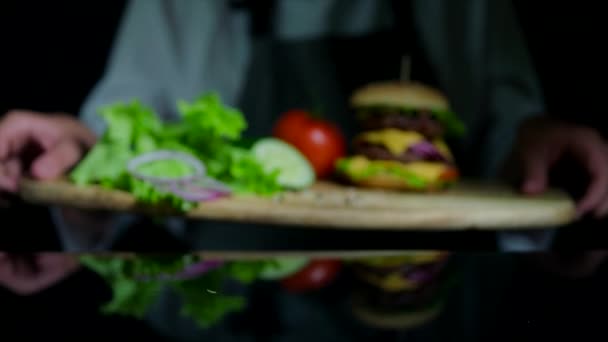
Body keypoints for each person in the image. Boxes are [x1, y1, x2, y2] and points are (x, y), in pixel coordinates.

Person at [1, 0, 608, 340]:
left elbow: (507, 121)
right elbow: (124, 126)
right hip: (221, 289)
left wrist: (533, 137)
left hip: (438, 300)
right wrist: (80, 146)